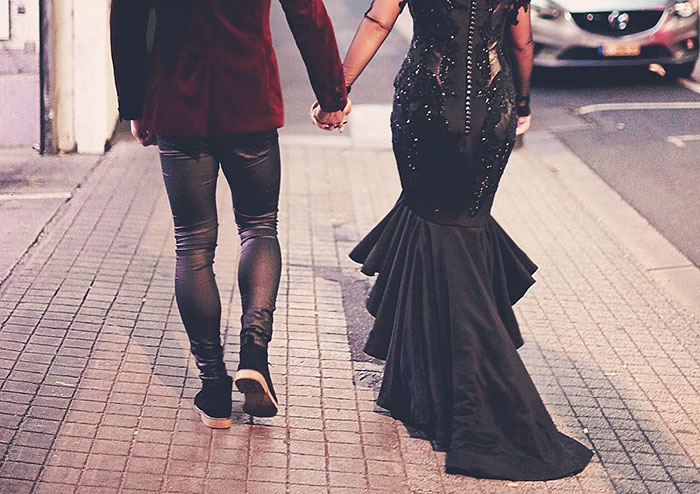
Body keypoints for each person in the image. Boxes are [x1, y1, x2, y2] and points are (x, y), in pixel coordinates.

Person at [315, 0, 593, 480]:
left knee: (432, 229)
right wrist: (523, 103)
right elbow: (521, 40)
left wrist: (336, 91)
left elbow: (379, 20)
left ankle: (476, 403)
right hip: (492, 109)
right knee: (462, 232)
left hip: (425, 106)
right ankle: (420, 392)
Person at [110, 0, 350, 427]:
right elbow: (307, 13)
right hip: (250, 96)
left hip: (176, 102)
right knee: (259, 227)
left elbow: (127, 17)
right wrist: (332, 95)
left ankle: (214, 388)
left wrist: (135, 105)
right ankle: (254, 354)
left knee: (193, 245)